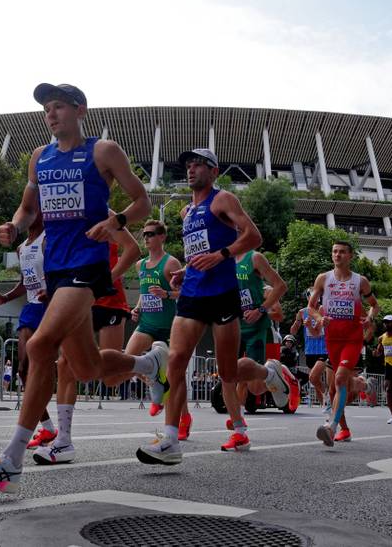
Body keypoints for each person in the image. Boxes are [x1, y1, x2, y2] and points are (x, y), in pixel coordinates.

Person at [0, 83, 160, 493]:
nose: (51, 115)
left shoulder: (103, 151)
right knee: (88, 368)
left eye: (58, 107)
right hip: (55, 270)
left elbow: (143, 201)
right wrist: (15, 225)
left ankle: (11, 460)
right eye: (46, 109)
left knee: (38, 346)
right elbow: (28, 206)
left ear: (80, 110)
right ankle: (148, 365)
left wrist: (117, 222)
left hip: (86, 265)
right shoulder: (40, 157)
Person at [136, 148, 296, 466]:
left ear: (214, 170)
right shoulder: (185, 212)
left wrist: (221, 255)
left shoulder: (222, 201)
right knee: (177, 361)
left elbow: (253, 236)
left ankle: (270, 372)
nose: (191, 170)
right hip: (193, 294)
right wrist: (186, 271)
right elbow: (199, 253)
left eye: (198, 165)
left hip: (223, 294)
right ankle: (170, 440)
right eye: (188, 165)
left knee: (227, 372)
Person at [33, 220, 141, 465]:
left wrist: (106, 280)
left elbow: (133, 250)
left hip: (109, 301)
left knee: (110, 377)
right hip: (78, 299)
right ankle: (63, 441)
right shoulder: (59, 217)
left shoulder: (102, 212)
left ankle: (148, 364)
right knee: (65, 366)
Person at [0, 214, 59, 447]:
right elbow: (25, 282)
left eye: (33, 210)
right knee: (23, 371)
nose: (27, 215)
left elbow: (60, 274)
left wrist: (53, 290)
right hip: (31, 308)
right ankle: (47, 428)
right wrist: (4, 298)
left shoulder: (50, 239)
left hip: (52, 307)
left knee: (58, 368)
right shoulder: (21, 248)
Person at [121, 219, 193, 436]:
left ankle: (184, 417)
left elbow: (189, 290)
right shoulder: (140, 265)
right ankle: (155, 382)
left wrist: (168, 294)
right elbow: (145, 292)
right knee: (127, 361)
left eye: (151, 234)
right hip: (147, 324)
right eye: (144, 234)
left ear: (162, 237)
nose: (146, 238)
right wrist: (138, 307)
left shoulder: (170, 263)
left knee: (175, 376)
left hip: (169, 326)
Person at [307, 241, 379, 447]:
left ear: (350, 256)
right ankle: (346, 428)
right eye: (334, 252)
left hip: (352, 339)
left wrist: (370, 319)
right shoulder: (323, 279)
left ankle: (331, 427)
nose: (337, 255)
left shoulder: (360, 281)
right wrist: (320, 319)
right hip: (332, 339)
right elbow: (311, 307)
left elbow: (374, 306)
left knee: (339, 380)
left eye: (342, 252)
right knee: (334, 390)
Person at [220, 248, 289, 452]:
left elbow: (281, 286)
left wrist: (261, 310)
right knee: (227, 375)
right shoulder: (222, 258)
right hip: (231, 324)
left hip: (255, 329)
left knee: (254, 387)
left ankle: (270, 373)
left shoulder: (254, 258)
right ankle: (239, 430)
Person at [290, 293, 332, 415]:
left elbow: (317, 333)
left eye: (316, 295)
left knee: (313, 377)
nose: (313, 298)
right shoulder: (302, 312)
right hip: (310, 350)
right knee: (315, 380)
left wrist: (309, 325)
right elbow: (293, 330)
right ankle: (325, 406)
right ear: (307, 297)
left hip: (323, 349)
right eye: (310, 295)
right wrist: (297, 324)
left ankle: (328, 398)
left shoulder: (322, 310)